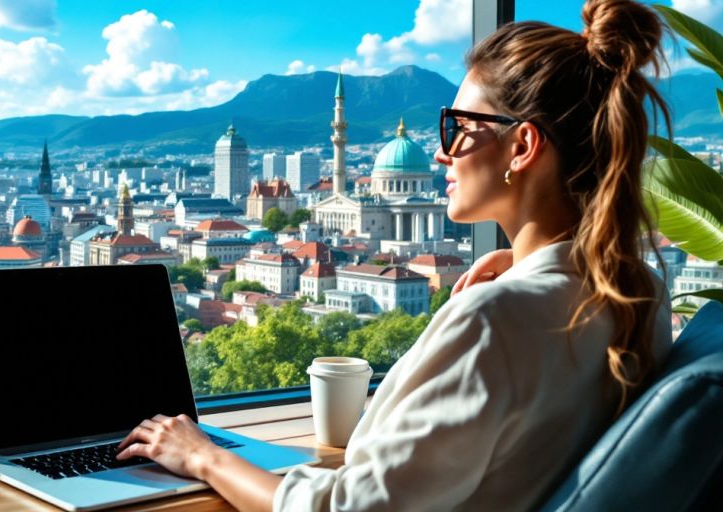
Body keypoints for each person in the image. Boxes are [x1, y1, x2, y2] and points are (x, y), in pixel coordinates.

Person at [115, 0, 675, 509]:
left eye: (457, 127)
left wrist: (202, 455)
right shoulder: (638, 292)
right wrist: (527, 267)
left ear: (523, 146)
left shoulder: (497, 320)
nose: (440, 151)